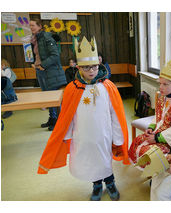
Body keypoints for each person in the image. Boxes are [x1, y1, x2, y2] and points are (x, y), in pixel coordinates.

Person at [37, 36, 130, 201]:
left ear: (99, 64)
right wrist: (67, 135)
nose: (91, 71)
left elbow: (115, 113)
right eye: (86, 68)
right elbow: (68, 115)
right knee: (90, 161)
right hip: (83, 135)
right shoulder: (72, 89)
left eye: (94, 66)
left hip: (104, 134)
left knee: (104, 159)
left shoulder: (108, 87)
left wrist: (117, 136)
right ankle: (96, 185)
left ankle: (110, 183)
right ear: (78, 67)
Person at [128, 58, 171, 170]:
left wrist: (157, 138)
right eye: (160, 83)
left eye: (165, 84)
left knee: (147, 153)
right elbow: (158, 115)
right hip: (157, 132)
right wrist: (151, 127)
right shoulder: (163, 95)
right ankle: (152, 173)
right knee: (137, 141)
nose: (161, 87)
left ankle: (156, 174)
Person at [30, 18, 67, 131]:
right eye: (30, 26)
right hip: (41, 71)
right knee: (47, 97)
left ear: (40, 26)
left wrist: (43, 65)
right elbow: (39, 55)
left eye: (33, 25)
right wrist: (35, 64)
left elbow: (55, 55)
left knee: (53, 98)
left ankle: (59, 121)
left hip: (50, 71)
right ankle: (52, 118)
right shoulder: (36, 39)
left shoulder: (46, 37)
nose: (31, 28)